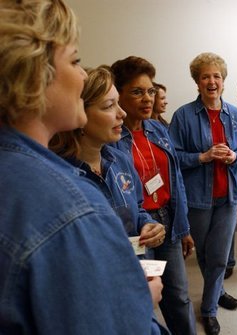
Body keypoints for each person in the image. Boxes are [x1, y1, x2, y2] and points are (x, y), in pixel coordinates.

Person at [0, 1, 161, 333]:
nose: (83, 73)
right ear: (33, 74)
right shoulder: (72, 209)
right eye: (74, 60)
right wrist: (136, 302)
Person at [50, 65, 168, 334]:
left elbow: (137, 208)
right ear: (78, 114)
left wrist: (149, 224)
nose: (122, 113)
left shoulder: (121, 160)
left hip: (136, 274)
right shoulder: (60, 178)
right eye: (109, 106)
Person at [110, 56, 197, 335]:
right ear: (118, 94)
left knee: (179, 296)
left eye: (150, 91)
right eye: (137, 92)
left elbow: (177, 182)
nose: (147, 99)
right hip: (138, 231)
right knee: (144, 297)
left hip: (168, 222)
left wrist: (183, 228)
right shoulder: (111, 139)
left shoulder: (158, 130)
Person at [169, 52, 237, 335]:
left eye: (216, 76)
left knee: (218, 255)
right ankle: (217, 292)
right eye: (205, 76)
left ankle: (209, 309)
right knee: (204, 254)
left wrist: (233, 157)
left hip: (228, 197)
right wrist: (202, 157)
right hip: (197, 199)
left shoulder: (235, 115)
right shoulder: (183, 116)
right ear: (197, 82)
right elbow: (174, 158)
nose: (211, 81)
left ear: (224, 81)